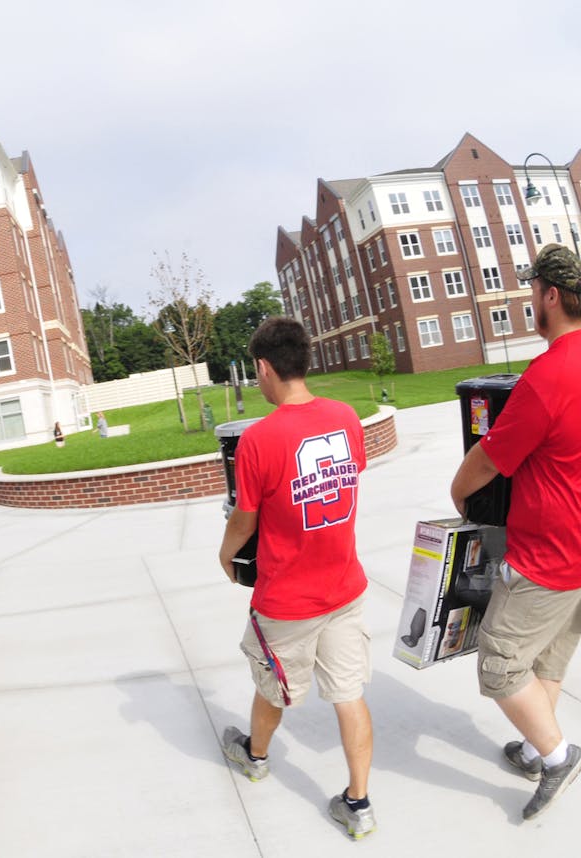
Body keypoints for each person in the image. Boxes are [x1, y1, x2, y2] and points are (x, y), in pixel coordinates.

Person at [449, 243, 581, 821]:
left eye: (531, 290)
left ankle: (557, 756)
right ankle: (531, 747)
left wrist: (459, 493)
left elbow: (489, 459)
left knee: (500, 666)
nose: (528, 300)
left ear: (550, 294)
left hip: (550, 558)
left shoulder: (547, 375)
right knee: (545, 657)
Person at [216, 316, 375, 840]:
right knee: (349, 693)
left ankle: (255, 756)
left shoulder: (259, 440)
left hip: (287, 601)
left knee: (273, 689)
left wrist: (226, 552)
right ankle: (358, 803)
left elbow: (245, 518)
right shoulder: (347, 417)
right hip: (344, 589)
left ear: (264, 367)